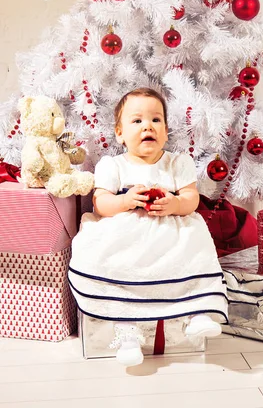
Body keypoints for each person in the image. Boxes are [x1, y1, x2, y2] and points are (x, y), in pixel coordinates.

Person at [69, 87, 228, 366]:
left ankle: (197, 311)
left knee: (195, 241)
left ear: (166, 131)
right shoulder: (113, 165)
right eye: (137, 120)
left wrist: (175, 204)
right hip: (127, 231)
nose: (148, 126)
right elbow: (100, 204)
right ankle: (127, 333)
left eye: (156, 120)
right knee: (117, 265)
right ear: (120, 133)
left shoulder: (177, 163)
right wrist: (126, 201)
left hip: (170, 229)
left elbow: (191, 198)